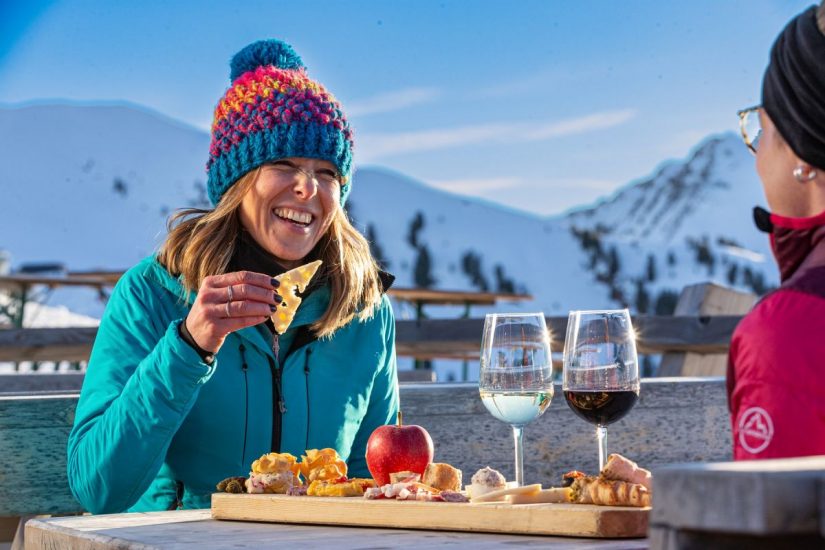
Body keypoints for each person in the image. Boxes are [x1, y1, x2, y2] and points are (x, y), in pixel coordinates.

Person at [67, 39, 399, 513]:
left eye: (327, 172)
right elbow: (98, 489)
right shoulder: (154, 292)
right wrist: (189, 346)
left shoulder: (364, 307)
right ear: (237, 184)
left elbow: (376, 481)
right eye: (283, 164)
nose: (307, 187)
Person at [727, 2, 825, 460]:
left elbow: (777, 525)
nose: (758, 154)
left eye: (762, 128)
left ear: (803, 152)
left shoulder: (792, 329)